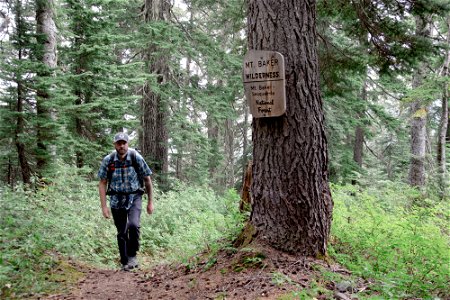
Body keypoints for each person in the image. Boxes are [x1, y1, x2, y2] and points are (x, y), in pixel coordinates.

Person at [98, 132, 154, 271]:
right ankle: (124, 262)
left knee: (134, 225)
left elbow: (147, 180)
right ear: (115, 145)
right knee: (122, 231)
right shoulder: (109, 160)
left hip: (134, 196)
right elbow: (102, 182)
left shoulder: (135, 157)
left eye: (124, 143)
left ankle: (132, 255)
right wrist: (104, 206)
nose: (121, 146)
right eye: (119, 143)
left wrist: (150, 202)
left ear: (128, 144)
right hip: (116, 199)